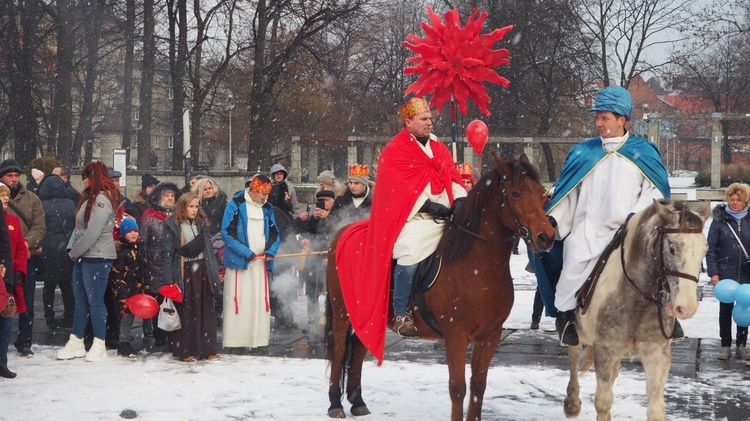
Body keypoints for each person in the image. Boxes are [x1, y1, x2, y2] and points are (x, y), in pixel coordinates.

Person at [530, 86, 671, 346]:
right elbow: (568, 195)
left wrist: (634, 218)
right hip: (587, 231)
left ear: (622, 120)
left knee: (662, 264)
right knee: (570, 271)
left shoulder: (645, 152)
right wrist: (555, 220)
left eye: (604, 117)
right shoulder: (584, 152)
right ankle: (566, 319)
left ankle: (665, 316)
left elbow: (655, 192)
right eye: (596, 117)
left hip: (629, 231)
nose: (598, 123)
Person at [338, 97, 466, 340]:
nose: (430, 123)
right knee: (410, 249)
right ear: (408, 122)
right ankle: (401, 312)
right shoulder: (395, 151)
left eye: (430, 118)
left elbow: (452, 176)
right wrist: (427, 206)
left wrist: (459, 198)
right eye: (424, 119)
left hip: (447, 215)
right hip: (413, 218)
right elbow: (394, 191)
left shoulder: (439, 147)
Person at [56, 161, 122, 362]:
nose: (82, 181)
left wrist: (74, 252)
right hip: (86, 255)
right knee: (81, 301)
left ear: (92, 178)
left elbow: (93, 231)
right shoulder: (91, 198)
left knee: (95, 302)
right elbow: (81, 229)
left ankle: (99, 342)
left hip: (97, 256)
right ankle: (77, 340)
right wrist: (74, 251)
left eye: (85, 177)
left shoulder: (102, 199)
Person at [221, 175, 280, 348]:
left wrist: (270, 251)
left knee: (258, 301)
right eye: (263, 194)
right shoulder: (235, 205)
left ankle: (258, 339)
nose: (265, 198)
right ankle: (236, 340)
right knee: (239, 300)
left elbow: (275, 233)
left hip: (260, 262)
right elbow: (226, 233)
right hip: (240, 262)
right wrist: (246, 253)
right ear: (254, 191)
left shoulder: (267, 208)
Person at [161, 192, 221, 361]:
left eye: (196, 206)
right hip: (184, 271)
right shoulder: (171, 225)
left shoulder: (201, 224)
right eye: (191, 206)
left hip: (202, 270)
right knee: (187, 311)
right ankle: (187, 350)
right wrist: (168, 281)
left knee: (205, 310)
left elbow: (208, 251)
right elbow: (166, 254)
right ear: (183, 207)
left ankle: (207, 349)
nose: (194, 210)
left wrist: (214, 275)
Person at [0, 159, 45, 357]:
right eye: (10, 176)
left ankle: (24, 341)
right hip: (3, 259)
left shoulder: (32, 198)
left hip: (27, 256)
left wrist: (26, 243)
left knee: (25, 300)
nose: (14, 179)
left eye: (16, 176)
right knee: (4, 299)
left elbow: (39, 225)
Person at [706, 183, 750, 362]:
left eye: (738, 200)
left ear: (745, 201)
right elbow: (711, 249)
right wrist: (713, 273)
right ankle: (725, 346)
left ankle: (741, 346)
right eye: (732, 199)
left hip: (747, 271)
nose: (734, 203)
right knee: (725, 309)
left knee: (745, 307)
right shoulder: (719, 221)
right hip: (726, 272)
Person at [140, 181, 180, 347]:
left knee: (173, 299)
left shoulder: (178, 214)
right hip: (154, 264)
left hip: (173, 262)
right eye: (166, 196)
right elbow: (143, 241)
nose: (170, 198)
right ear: (158, 198)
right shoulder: (149, 216)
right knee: (158, 299)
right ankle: (159, 334)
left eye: (172, 196)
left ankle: (174, 333)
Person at [37, 175, 76, 330]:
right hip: (66, 246)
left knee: (49, 284)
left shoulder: (42, 204)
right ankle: (69, 316)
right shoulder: (71, 203)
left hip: (48, 247)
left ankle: (49, 317)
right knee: (67, 285)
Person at [294, 190, 336, 334]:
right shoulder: (314, 218)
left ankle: (330, 321)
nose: (323, 204)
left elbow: (336, 231)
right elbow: (304, 233)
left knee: (331, 293)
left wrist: (328, 218)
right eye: (320, 201)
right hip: (313, 258)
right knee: (312, 292)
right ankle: (312, 321)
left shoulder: (336, 215)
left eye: (326, 200)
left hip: (330, 257)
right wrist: (311, 219)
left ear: (332, 202)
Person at [110, 217, 150, 358]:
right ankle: (123, 344)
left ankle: (126, 343)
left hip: (136, 291)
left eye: (135, 231)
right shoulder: (121, 252)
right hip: (125, 293)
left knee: (131, 319)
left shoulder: (139, 249)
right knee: (125, 319)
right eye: (129, 231)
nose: (133, 234)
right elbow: (118, 275)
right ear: (123, 234)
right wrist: (122, 295)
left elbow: (143, 269)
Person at [267, 164, 299, 329]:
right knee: (274, 280)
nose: (279, 177)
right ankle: (278, 314)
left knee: (287, 279)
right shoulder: (268, 188)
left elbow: (295, 209)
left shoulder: (290, 189)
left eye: (281, 174)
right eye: (276, 174)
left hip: (286, 232)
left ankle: (286, 315)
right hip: (272, 235)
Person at [0, 182, 23, 378]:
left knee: (6, 319)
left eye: (7, 195)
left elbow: (20, 249)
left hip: (8, 275)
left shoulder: (14, 221)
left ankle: (2, 362)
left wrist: (19, 271)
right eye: (1, 195)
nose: (5, 198)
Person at [328, 163, 373, 228]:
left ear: (364, 184)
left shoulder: (374, 200)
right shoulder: (341, 199)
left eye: (356, 183)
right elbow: (330, 222)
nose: (352, 186)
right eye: (351, 182)